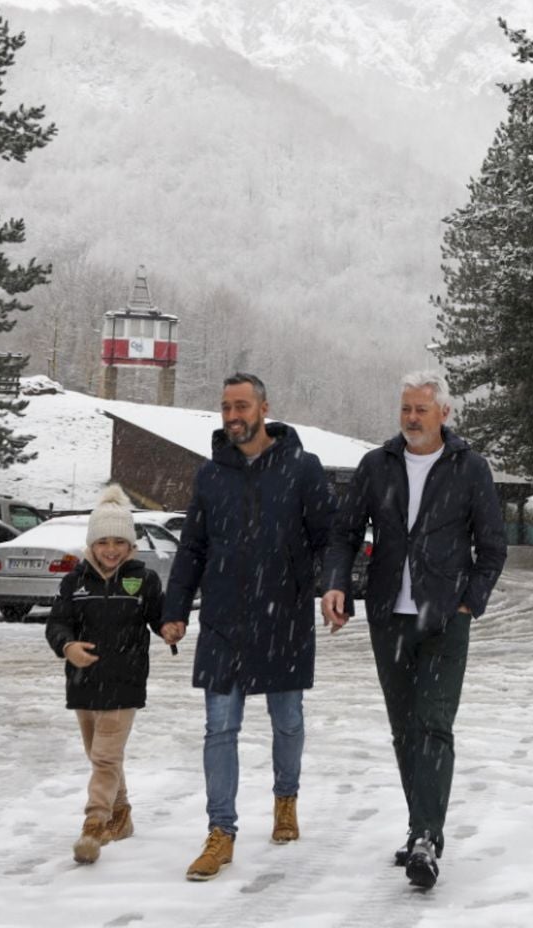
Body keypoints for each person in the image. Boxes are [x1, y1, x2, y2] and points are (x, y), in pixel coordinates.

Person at [320, 369, 506, 890]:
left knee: (434, 724)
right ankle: (419, 825)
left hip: (446, 619)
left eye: (421, 409)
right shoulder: (376, 466)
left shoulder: (470, 469)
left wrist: (471, 601)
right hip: (389, 617)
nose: (411, 418)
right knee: (404, 729)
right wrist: (336, 583)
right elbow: (344, 534)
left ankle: (426, 834)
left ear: (444, 413)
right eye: (405, 408)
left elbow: (492, 546)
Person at [161, 372, 331, 883]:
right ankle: (221, 832)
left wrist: (328, 588)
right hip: (223, 620)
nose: (233, 416)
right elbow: (192, 547)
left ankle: (285, 798)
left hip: (284, 617)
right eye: (225, 408)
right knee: (219, 728)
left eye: (241, 406)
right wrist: (174, 610)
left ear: (263, 407)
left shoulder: (303, 469)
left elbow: (328, 538)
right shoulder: (211, 475)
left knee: (288, 723)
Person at [44, 484, 164, 865]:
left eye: (119, 542)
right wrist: (68, 647)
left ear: (131, 546)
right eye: (102, 542)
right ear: (91, 545)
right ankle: (122, 814)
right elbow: (57, 624)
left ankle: (94, 824)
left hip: (124, 682)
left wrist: (172, 628)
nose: (110, 549)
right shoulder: (74, 581)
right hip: (83, 684)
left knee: (105, 759)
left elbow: (161, 620)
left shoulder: (144, 580)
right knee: (100, 757)